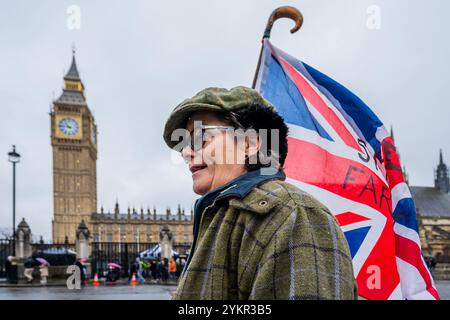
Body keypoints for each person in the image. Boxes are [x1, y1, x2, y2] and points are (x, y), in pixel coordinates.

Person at [163, 86, 358, 300]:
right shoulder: (220, 214)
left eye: (200, 137)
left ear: (249, 143)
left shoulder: (293, 215)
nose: (186, 152)